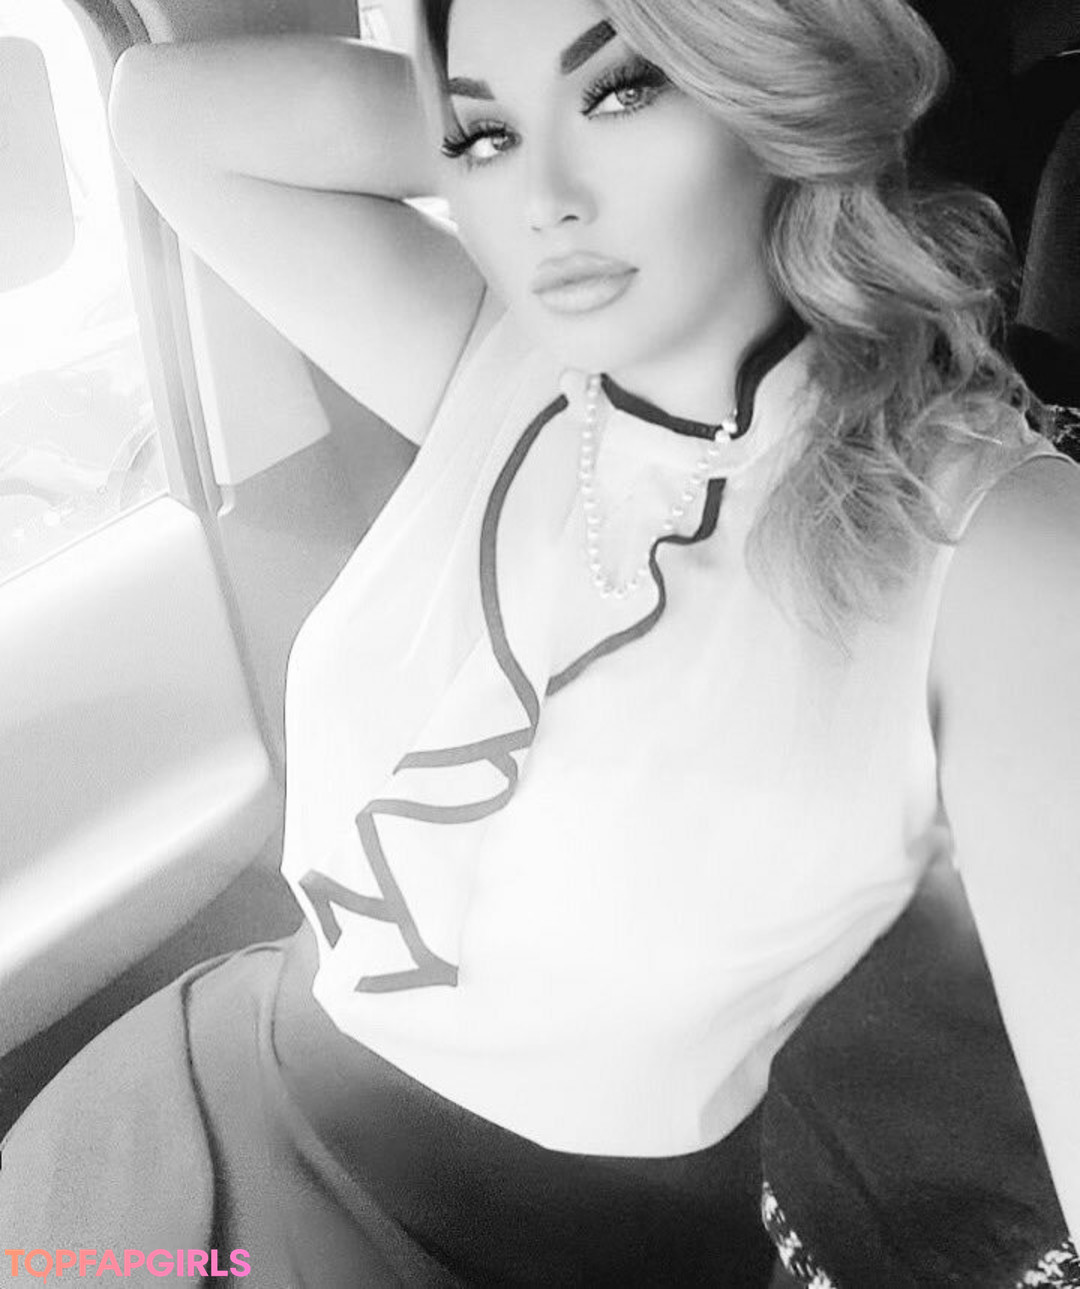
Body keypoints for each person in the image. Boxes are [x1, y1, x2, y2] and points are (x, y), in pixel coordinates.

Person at [2, 0, 1078, 1284]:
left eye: (622, 91)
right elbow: (160, 116)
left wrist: (554, 127)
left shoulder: (999, 542)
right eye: (484, 134)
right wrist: (512, 134)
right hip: (197, 1100)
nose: (543, 205)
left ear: (775, 83)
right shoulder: (500, 358)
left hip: (528, 1249)